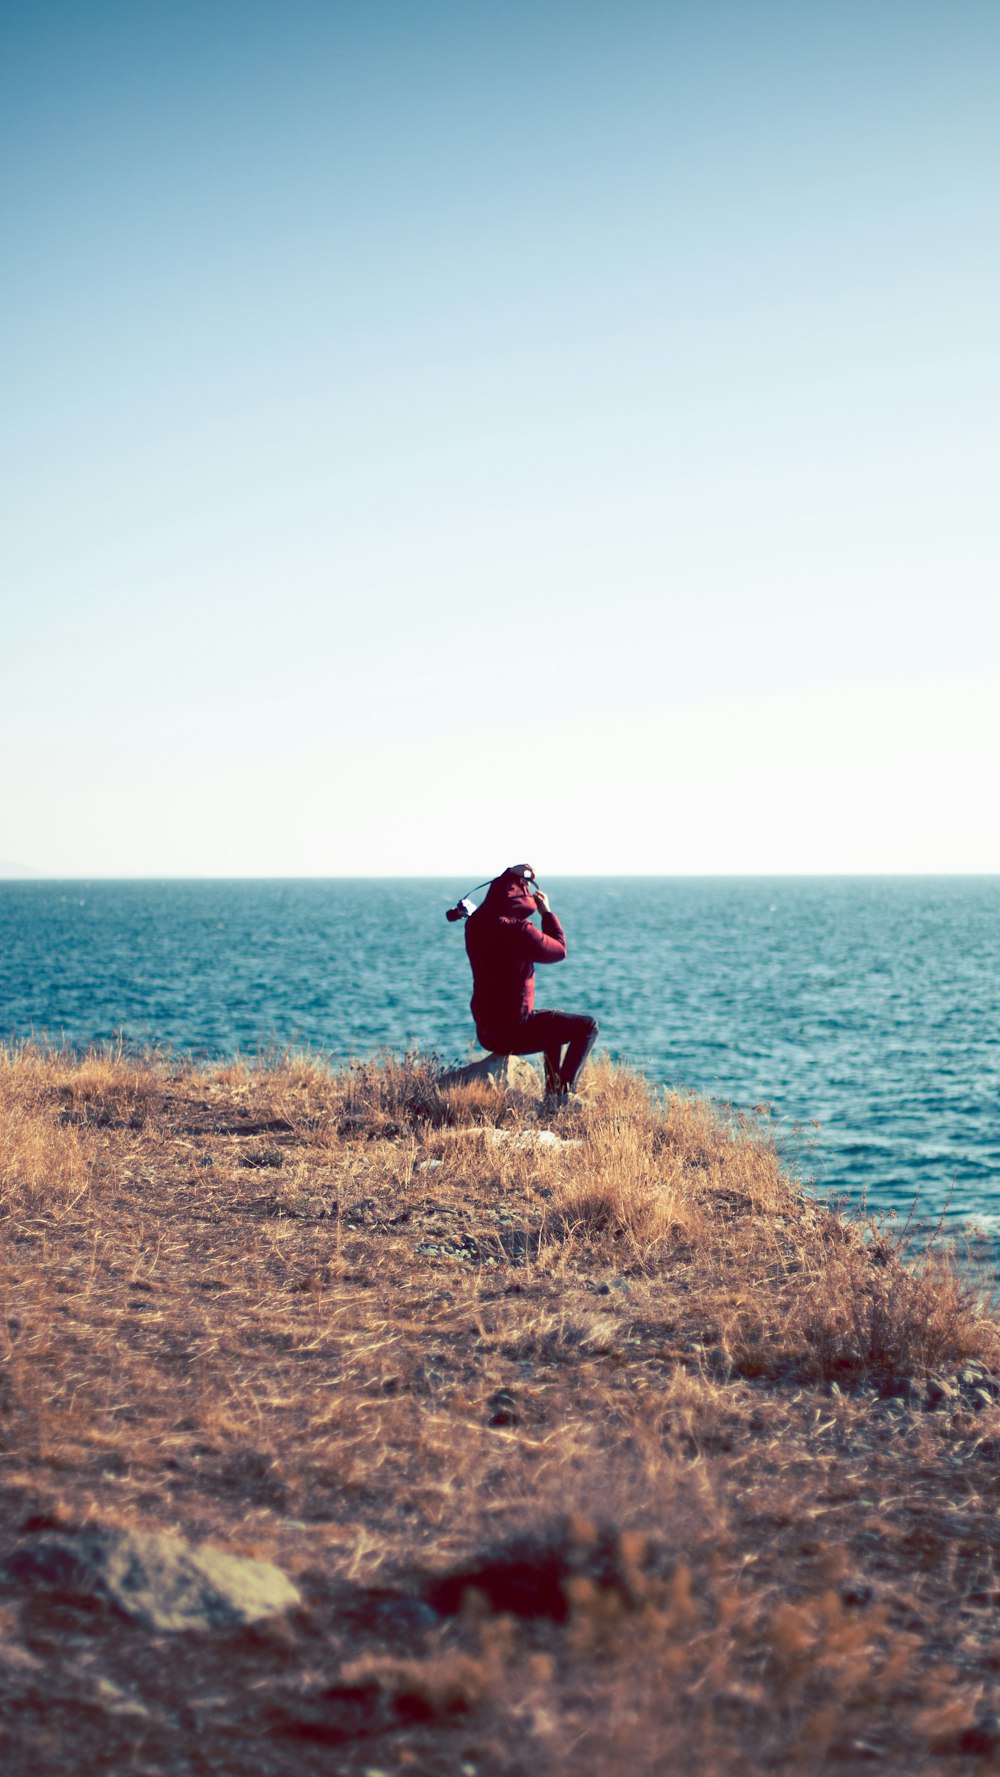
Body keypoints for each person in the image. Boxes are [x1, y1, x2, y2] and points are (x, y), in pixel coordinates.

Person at [462, 864, 598, 1101]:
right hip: (514, 1031)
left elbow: (496, 896)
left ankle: (553, 1092)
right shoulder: (518, 930)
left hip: (487, 1032)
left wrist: (510, 873)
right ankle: (563, 1096)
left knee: (554, 1021)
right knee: (588, 1027)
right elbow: (559, 951)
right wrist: (547, 913)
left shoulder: (475, 925)